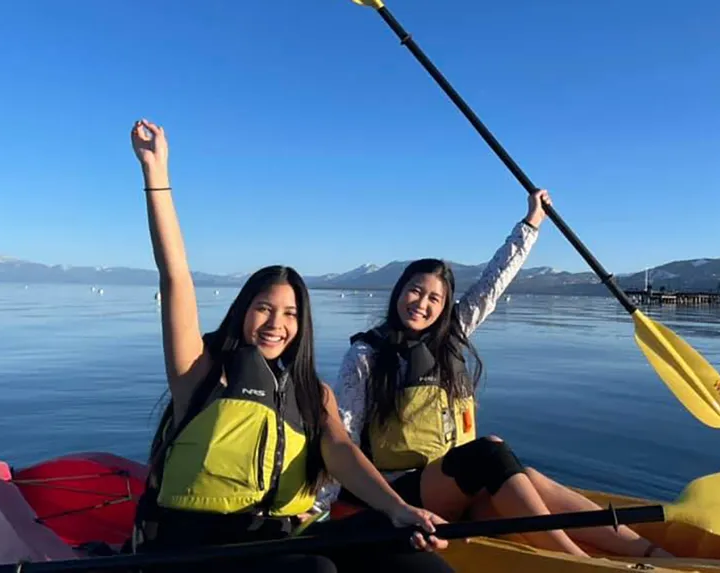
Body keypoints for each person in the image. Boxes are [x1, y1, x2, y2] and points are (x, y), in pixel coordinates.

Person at [128, 118, 455, 573]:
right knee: (315, 571)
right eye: (264, 308)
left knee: (399, 546)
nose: (275, 324)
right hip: (197, 546)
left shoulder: (313, 394)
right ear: (243, 310)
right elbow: (176, 276)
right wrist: (156, 173)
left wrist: (399, 509)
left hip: (277, 536)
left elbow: (341, 452)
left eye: (290, 314)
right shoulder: (198, 372)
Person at [323, 189, 670, 559]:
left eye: (433, 298)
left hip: (449, 484)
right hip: (393, 496)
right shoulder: (365, 355)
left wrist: (532, 222)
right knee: (489, 453)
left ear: (444, 307)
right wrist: (320, 508)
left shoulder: (451, 337)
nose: (421, 304)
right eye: (414, 291)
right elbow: (341, 439)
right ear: (399, 292)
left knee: (528, 477)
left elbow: (494, 282)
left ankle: (651, 552)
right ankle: (578, 562)